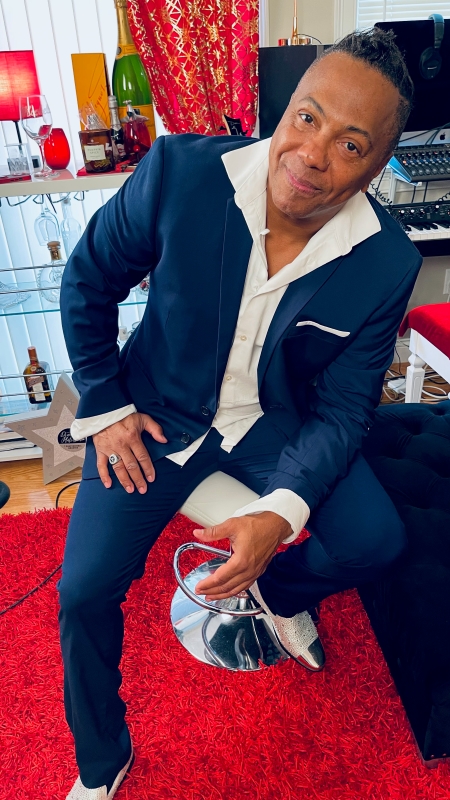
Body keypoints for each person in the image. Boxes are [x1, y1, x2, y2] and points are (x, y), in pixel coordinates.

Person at [59, 28, 421, 800]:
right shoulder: (179, 174)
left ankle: (278, 593)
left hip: (271, 421)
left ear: (378, 167)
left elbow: (345, 408)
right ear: (285, 109)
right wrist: (106, 404)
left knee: (377, 541)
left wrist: (280, 515)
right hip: (150, 414)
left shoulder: (389, 261)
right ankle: (101, 761)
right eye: (307, 117)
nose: (312, 154)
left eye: (350, 144)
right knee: (82, 592)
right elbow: (88, 279)